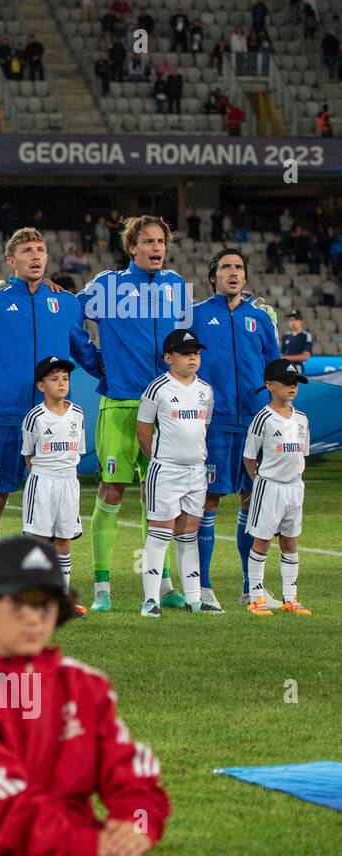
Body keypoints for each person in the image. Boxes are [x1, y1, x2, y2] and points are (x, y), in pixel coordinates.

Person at [0, 536, 170, 856]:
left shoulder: (84, 683)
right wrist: (89, 844)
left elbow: (130, 767)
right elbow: (0, 804)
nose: (33, 617)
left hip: (75, 848)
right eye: (18, 602)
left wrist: (136, 822)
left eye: (44, 603)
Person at [0, 228, 101, 586]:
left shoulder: (66, 304)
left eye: (40, 250)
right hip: (4, 419)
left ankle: (47, 590)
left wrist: (123, 379)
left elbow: (86, 353)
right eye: (26, 251)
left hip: (54, 423)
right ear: (10, 260)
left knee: (51, 516)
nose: (35, 256)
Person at [76, 216, 190, 613]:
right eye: (148, 242)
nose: (157, 248)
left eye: (161, 241)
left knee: (158, 497)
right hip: (122, 403)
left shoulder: (176, 286)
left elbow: (185, 341)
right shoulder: (108, 285)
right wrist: (95, 362)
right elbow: (72, 320)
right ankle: (102, 587)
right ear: (132, 247)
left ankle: (161, 584)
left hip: (165, 408)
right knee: (112, 491)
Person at [191, 249, 280, 611]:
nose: (233, 273)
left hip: (254, 425)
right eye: (226, 267)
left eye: (239, 268)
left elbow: (273, 370)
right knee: (208, 500)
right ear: (213, 276)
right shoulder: (195, 315)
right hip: (213, 425)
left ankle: (251, 589)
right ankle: (205, 588)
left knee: (252, 502)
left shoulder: (260, 318)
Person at [136, 330, 214, 617]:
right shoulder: (157, 389)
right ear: (169, 358)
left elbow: (203, 428)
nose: (193, 356)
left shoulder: (206, 390)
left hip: (196, 471)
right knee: (159, 534)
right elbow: (143, 432)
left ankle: (195, 598)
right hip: (165, 471)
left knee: (188, 534)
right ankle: (151, 600)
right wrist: (160, 461)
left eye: (196, 351)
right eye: (185, 352)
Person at [243, 359, 312, 616]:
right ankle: (256, 597)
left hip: (295, 487)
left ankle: (291, 598)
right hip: (269, 487)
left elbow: (302, 453)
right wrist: (259, 480)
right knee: (261, 541)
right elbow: (250, 457)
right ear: (270, 385)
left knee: (290, 541)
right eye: (286, 383)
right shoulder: (263, 419)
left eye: (295, 383)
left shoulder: (302, 419)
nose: (292, 388)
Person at [21, 356, 87, 616]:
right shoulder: (35, 417)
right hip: (43, 481)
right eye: (54, 378)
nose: (61, 383)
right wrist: (43, 475)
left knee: (63, 539)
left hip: (69, 482)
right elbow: (28, 455)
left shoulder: (78, 414)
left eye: (65, 378)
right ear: (40, 386)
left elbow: (77, 451)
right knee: (39, 540)